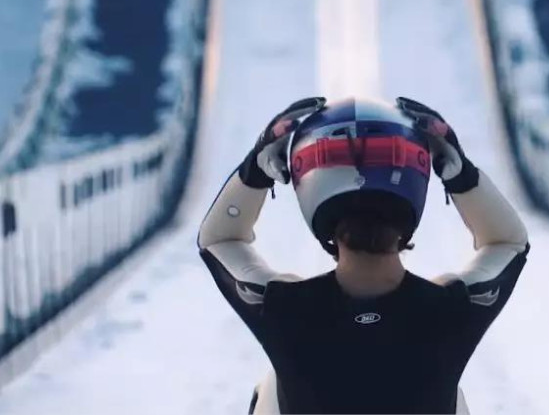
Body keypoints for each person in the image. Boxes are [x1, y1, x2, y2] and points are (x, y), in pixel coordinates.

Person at [197, 96, 530, 414]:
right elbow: (509, 243)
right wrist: (461, 176)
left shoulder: (284, 307)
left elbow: (217, 240)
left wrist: (255, 171)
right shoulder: (450, 308)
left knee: (271, 386)